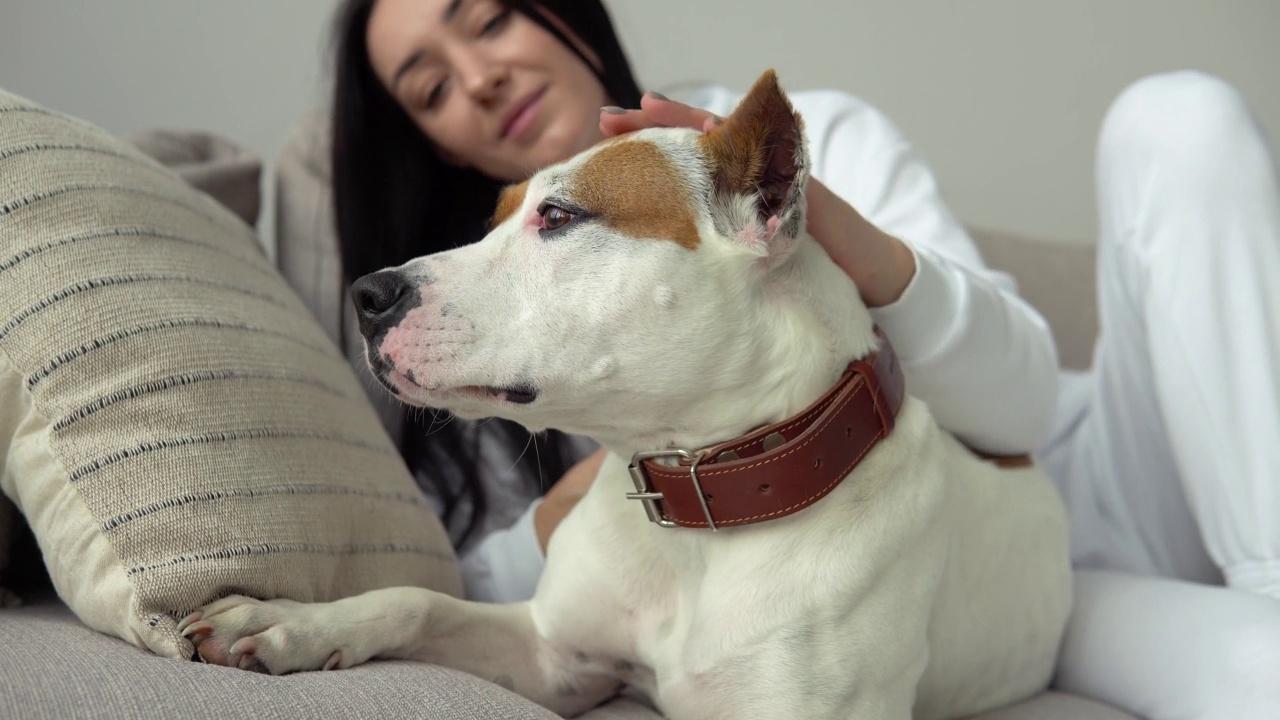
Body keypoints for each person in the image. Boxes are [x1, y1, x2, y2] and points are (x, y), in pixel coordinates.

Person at [276, 0, 1280, 717]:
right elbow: (506, 585)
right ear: (435, 143)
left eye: (488, 19)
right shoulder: (472, 300)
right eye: (431, 87)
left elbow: (1013, 409)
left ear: (563, 14)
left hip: (1097, 464)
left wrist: (835, 228)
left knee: (1175, 120)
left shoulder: (803, 142)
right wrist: (546, 521)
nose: (480, 77)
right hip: (1049, 597)